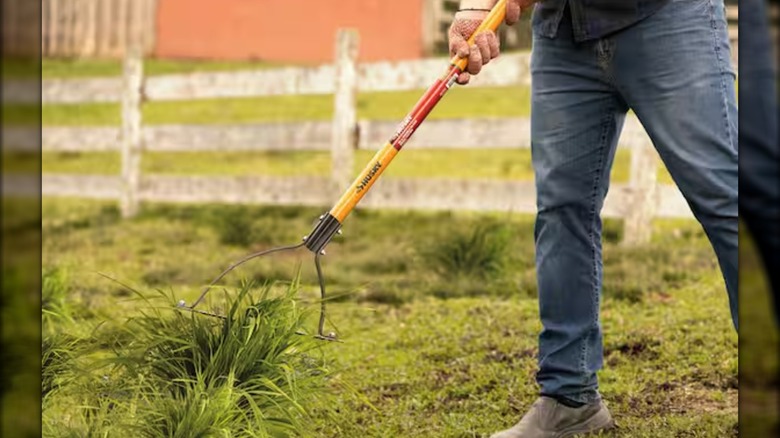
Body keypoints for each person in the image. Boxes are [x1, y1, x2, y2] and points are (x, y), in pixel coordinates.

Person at [449, 0, 739, 436]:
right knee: (562, 210)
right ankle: (569, 396)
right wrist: (473, 6)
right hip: (563, 30)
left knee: (726, 198)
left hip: (668, 18)